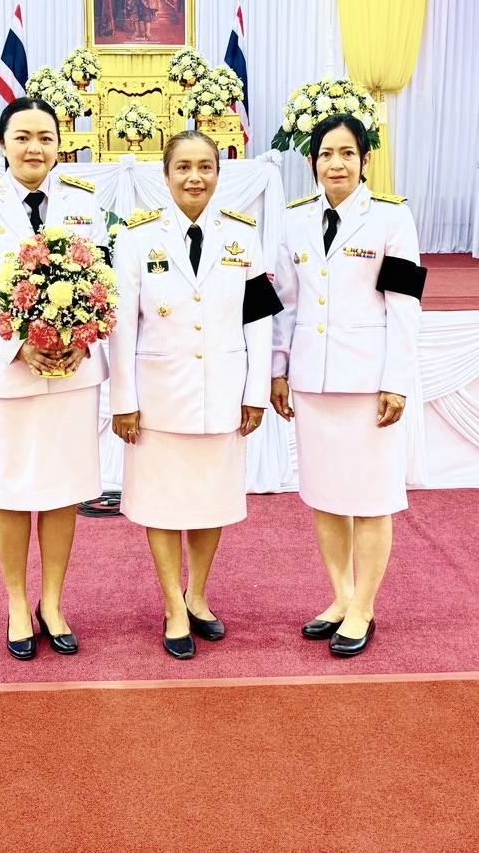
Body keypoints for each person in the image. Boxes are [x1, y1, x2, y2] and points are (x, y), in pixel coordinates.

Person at [0, 96, 106, 661]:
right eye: (23, 137)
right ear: (3, 144)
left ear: (60, 144)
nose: (34, 147)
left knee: (63, 492)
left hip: (71, 372)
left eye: (45, 137)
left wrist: (77, 338)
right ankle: (17, 601)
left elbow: (104, 277)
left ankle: (54, 602)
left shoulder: (87, 201)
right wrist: (18, 347)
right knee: (10, 491)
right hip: (7, 375)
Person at [110, 131, 281, 659]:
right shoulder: (137, 238)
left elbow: (258, 320)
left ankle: (199, 595)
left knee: (211, 503)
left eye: (205, 167)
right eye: (183, 167)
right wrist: (123, 400)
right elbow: (121, 325)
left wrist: (255, 391)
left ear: (218, 174)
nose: (194, 177)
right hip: (159, 397)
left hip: (223, 393)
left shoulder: (243, 237)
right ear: (165, 177)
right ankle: (172, 605)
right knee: (162, 506)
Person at [270, 113, 425, 658]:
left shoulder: (391, 219)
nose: (335, 163)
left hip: (368, 384)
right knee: (327, 498)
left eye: (346, 154)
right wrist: (278, 370)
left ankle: (364, 606)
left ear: (364, 161)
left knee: (372, 499)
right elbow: (285, 304)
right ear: (311, 161)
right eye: (325, 153)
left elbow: (405, 306)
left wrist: (397, 381)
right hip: (313, 382)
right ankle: (340, 597)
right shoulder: (292, 221)